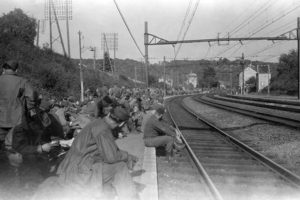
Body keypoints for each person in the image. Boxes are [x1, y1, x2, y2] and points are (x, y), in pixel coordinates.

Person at [41, 106, 139, 200]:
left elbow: (108, 152)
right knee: (120, 167)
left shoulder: (97, 123)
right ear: (122, 124)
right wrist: (127, 156)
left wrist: (124, 155)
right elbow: (111, 156)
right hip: (79, 171)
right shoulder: (103, 129)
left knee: (110, 168)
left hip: (70, 168)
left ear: (108, 114)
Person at [0, 60, 36, 149]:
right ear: (16, 70)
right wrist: (29, 108)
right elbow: (31, 98)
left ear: (3, 69)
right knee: (14, 146)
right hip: (17, 120)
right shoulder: (23, 81)